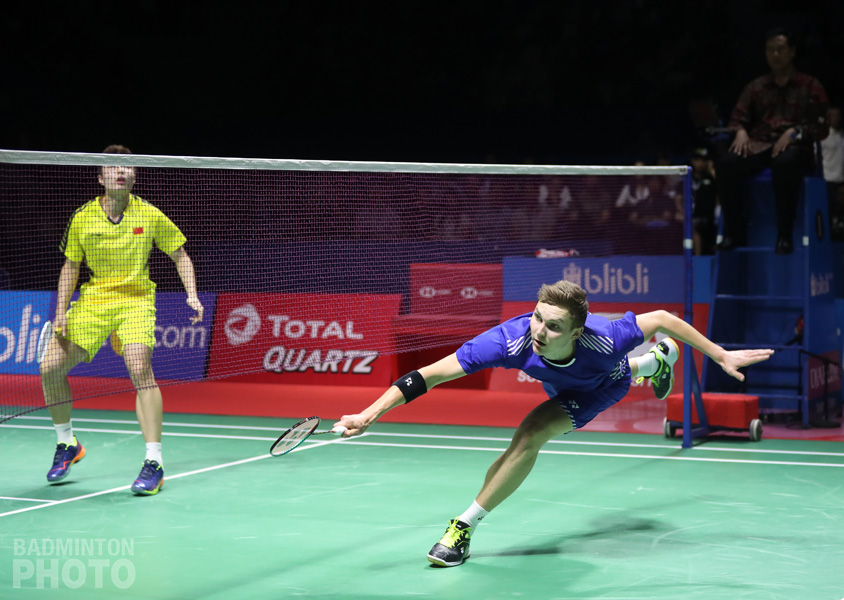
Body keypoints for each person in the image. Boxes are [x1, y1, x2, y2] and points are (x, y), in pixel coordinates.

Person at [333, 280, 774, 567]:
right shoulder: (508, 341)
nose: (539, 331)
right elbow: (428, 375)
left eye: (554, 326)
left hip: (600, 386)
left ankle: (462, 528)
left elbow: (662, 319)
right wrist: (369, 413)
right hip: (568, 379)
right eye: (537, 317)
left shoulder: (607, 338)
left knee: (531, 432)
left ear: (576, 332)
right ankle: (655, 362)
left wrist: (720, 355)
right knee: (536, 429)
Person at [40, 144, 204, 496]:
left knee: (139, 366)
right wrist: (60, 311)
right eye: (113, 167)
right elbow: (71, 266)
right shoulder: (83, 217)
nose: (121, 171)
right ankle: (67, 442)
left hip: (136, 300)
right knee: (50, 367)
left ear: (134, 176)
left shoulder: (149, 213)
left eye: (127, 167)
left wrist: (191, 293)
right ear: (100, 178)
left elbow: (180, 255)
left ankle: (154, 461)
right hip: (94, 300)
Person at [717, 27, 829, 255]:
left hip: (796, 149)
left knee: (785, 164)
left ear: (792, 51)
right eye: (770, 50)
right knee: (727, 163)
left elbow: (822, 127)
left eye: (780, 49)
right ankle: (735, 234)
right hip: (760, 146)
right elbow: (737, 118)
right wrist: (740, 131)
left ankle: (784, 235)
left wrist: (795, 132)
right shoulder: (755, 86)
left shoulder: (810, 85)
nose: (775, 54)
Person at [690, 147, 718, 255]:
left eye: (703, 160)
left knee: (695, 226)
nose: (700, 163)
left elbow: (723, 188)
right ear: (693, 161)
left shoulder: (711, 179)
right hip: (688, 217)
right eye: (697, 160)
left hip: (706, 218)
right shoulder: (687, 178)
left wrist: (711, 171)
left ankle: (698, 259)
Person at [821, 106, 844, 226]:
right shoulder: (822, 137)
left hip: (841, 180)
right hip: (828, 180)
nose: (836, 118)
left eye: (838, 115)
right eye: (833, 115)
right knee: (828, 214)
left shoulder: (842, 135)